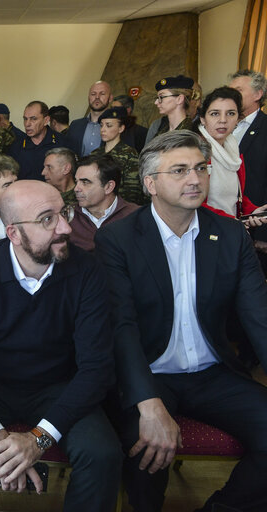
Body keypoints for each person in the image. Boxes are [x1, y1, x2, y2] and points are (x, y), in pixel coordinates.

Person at [0, 179, 122, 512]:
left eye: (64, 212)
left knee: (103, 453)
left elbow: (96, 368)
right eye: (47, 219)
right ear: (13, 233)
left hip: (59, 385)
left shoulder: (86, 269)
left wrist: (38, 440)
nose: (65, 227)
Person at [94, 130, 267, 512]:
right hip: (147, 370)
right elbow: (120, 326)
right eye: (179, 170)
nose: (195, 179)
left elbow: (259, 316)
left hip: (213, 373)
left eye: (200, 168)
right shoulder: (118, 239)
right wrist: (147, 401)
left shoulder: (229, 235)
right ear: (150, 183)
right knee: (145, 451)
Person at [195, 87, 267, 222]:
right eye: (215, 114)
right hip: (205, 230)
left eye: (230, 113)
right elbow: (193, 202)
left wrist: (251, 211)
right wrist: (231, 222)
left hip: (230, 230)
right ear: (203, 119)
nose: (223, 120)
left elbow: (234, 196)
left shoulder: (233, 150)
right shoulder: (196, 151)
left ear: (238, 120)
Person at [69, 154, 139, 251]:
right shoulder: (67, 217)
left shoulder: (136, 216)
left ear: (108, 187)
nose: (76, 189)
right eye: (76, 182)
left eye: (85, 182)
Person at [230, 70, 267, 251]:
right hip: (224, 225)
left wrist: (264, 233)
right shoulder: (221, 127)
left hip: (257, 226)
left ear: (258, 94)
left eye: (238, 90)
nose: (232, 96)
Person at [89, 107, 144, 205]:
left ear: (121, 128)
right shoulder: (94, 154)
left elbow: (133, 191)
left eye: (108, 126)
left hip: (119, 208)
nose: (103, 130)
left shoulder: (130, 154)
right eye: (101, 126)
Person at [8, 101, 70, 180]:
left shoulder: (63, 143)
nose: (27, 124)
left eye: (33, 119)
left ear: (46, 120)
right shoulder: (16, 146)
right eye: (25, 119)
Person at [144, 75, 194, 144]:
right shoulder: (161, 129)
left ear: (179, 99)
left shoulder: (191, 133)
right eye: (157, 98)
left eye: (161, 97)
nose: (156, 102)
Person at [68, 80, 113, 156]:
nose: (97, 97)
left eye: (102, 94)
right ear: (89, 97)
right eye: (93, 94)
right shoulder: (75, 125)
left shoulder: (117, 128)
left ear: (110, 98)